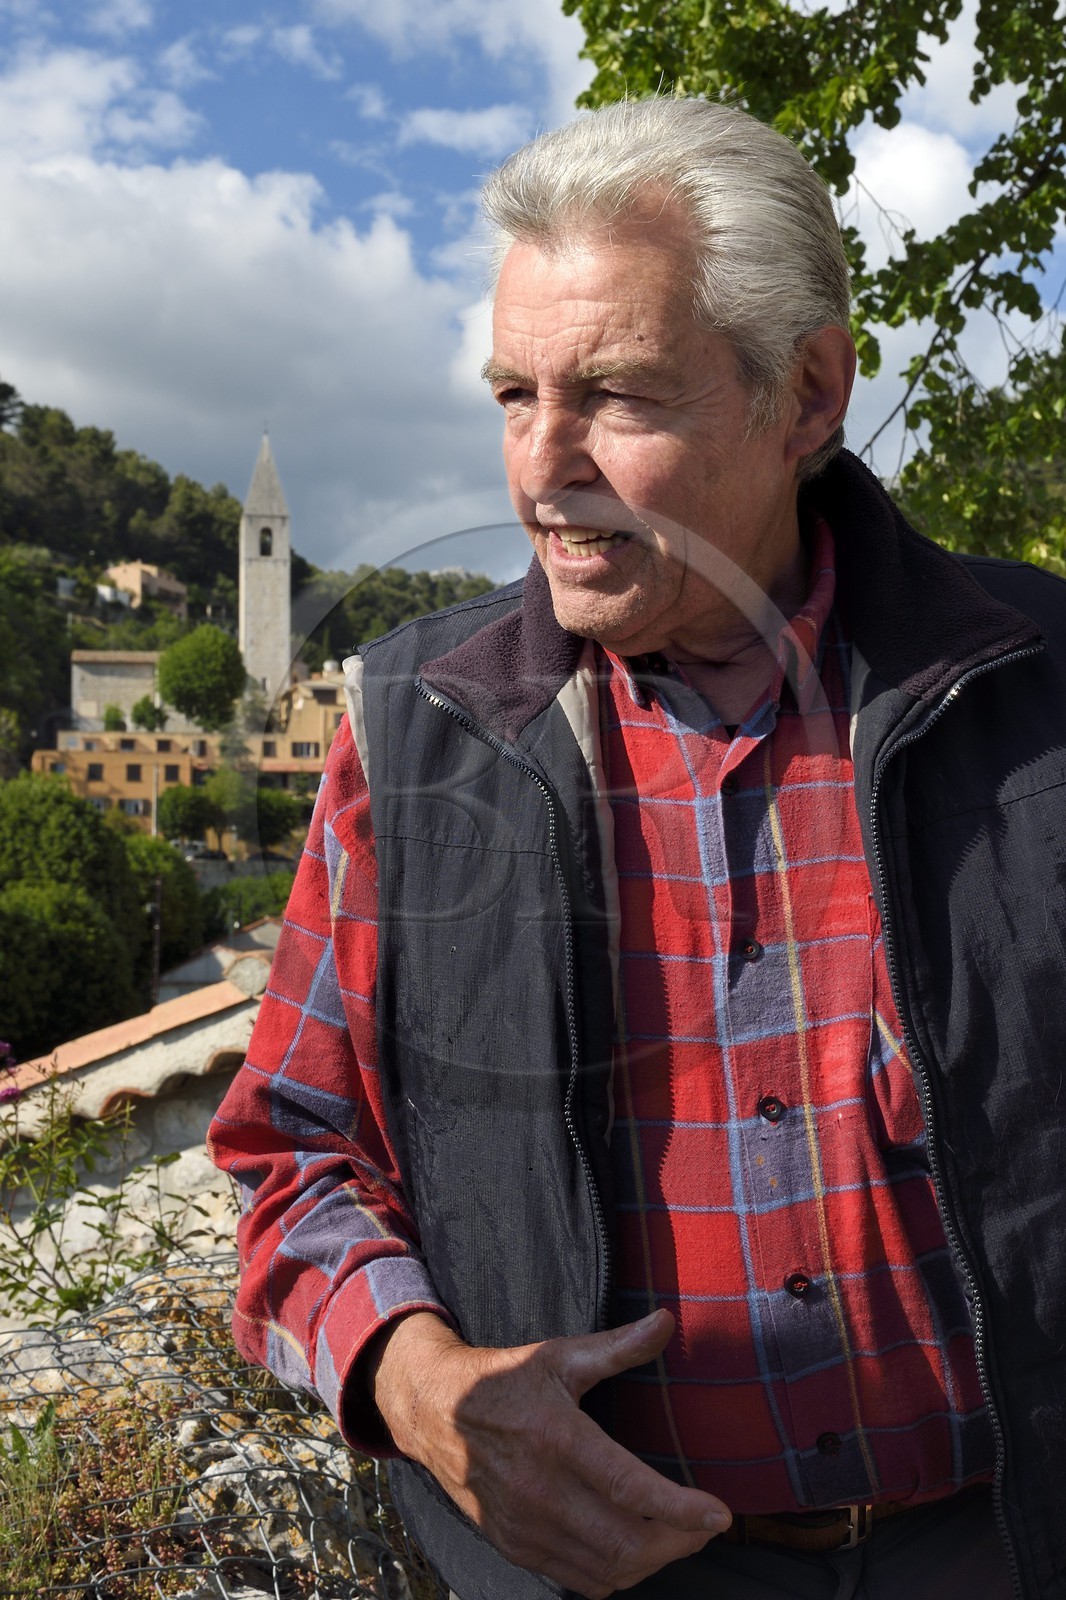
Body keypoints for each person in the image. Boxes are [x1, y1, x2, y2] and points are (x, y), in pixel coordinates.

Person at [208, 98, 1066, 1600]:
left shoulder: (1038, 684)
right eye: (513, 394)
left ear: (805, 394)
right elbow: (289, 1153)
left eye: (615, 396)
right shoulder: (415, 731)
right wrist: (419, 1384)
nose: (542, 467)